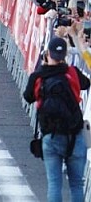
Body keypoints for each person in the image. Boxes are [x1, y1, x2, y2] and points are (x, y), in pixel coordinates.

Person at [23, 36, 90, 202]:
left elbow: (28, 96)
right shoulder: (72, 72)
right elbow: (86, 83)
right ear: (65, 55)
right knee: (76, 184)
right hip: (75, 134)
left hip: (51, 134)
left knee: (54, 184)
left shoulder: (38, 76)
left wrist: (42, 66)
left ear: (48, 54)